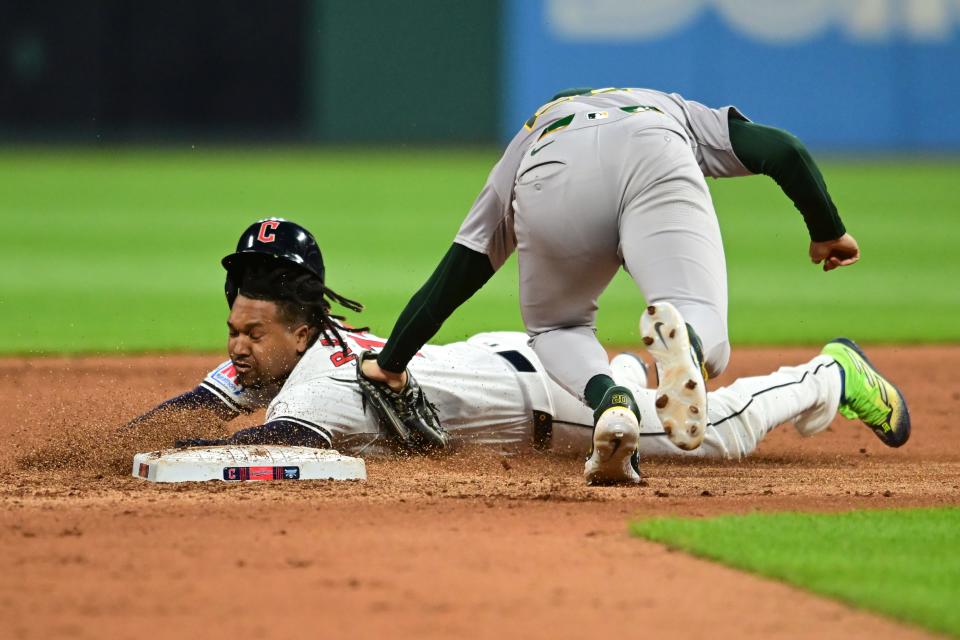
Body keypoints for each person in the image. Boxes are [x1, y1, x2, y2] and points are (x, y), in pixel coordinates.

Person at [124, 219, 909, 485]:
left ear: (300, 332)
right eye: (233, 329)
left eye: (251, 334)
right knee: (651, 398)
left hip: (547, 404)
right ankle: (654, 373)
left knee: (719, 436)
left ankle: (826, 373)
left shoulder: (315, 388)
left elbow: (262, 450)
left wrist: (157, 462)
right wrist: (112, 447)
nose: (236, 348)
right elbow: (201, 404)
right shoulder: (286, 353)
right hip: (499, 363)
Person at [357, 86, 866, 483]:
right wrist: (828, 232)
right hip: (654, 150)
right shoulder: (667, 105)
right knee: (700, 321)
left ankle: (610, 401)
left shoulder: (533, 129)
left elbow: (461, 267)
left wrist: (392, 361)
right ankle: (684, 342)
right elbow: (784, 150)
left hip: (547, 169)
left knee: (557, 327)